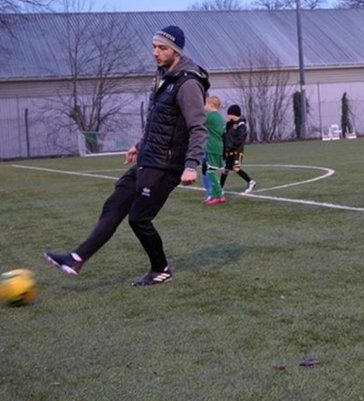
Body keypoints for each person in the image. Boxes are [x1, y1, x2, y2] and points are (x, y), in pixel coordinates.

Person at [45, 25, 208, 286]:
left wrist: (191, 165)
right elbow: (159, 122)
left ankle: (161, 268)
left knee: (139, 218)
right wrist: (139, 145)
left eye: (162, 48)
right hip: (149, 158)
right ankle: (76, 258)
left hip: (167, 165)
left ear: (176, 51)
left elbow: (197, 127)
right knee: (115, 203)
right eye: (154, 47)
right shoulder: (163, 77)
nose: (155, 52)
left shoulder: (188, 83)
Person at [220, 104, 256, 194]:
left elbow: (240, 138)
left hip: (237, 150)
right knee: (225, 170)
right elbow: (225, 137)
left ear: (234, 114)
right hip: (229, 151)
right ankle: (219, 188)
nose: (228, 116)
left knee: (236, 168)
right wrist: (225, 150)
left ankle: (251, 182)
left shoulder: (241, 124)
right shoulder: (229, 124)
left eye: (229, 114)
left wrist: (231, 146)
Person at [203, 96, 227, 205]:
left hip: (211, 146)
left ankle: (219, 195)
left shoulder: (209, 116)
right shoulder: (220, 117)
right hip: (219, 146)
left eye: (206, 104)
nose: (204, 106)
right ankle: (216, 194)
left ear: (211, 104)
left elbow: (198, 120)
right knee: (213, 170)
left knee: (211, 171)